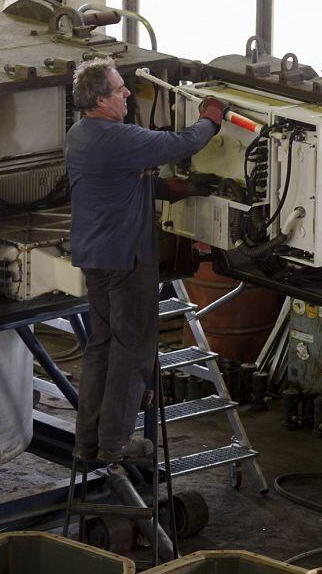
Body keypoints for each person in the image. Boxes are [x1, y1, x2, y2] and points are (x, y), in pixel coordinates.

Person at [65, 57, 225, 462]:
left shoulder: (80, 134)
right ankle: (115, 444)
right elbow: (181, 143)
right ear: (101, 100)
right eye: (120, 90)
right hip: (125, 257)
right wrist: (211, 117)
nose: (127, 94)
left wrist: (176, 188)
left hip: (93, 255)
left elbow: (125, 182)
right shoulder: (118, 138)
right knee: (133, 348)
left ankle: (88, 441)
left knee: (101, 344)